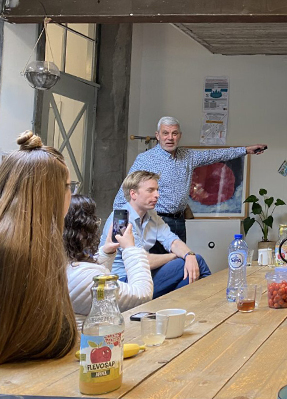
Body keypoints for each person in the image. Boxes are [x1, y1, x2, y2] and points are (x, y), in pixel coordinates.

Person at [113, 116, 267, 244]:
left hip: (179, 221)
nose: (170, 138)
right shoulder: (145, 159)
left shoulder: (188, 156)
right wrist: (117, 234)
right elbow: (123, 195)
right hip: (154, 220)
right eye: (165, 133)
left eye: (174, 133)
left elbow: (216, 155)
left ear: (180, 135)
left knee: (180, 266)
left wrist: (245, 150)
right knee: (156, 268)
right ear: (158, 135)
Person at [0, 131, 78, 364]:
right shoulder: (12, 252)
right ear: (49, 193)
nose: (71, 195)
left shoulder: (43, 249)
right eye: (68, 187)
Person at [101, 170, 211, 298]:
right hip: (122, 284)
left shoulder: (151, 215)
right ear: (133, 194)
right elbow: (141, 261)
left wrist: (189, 255)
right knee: (196, 261)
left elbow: (173, 241)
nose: (157, 195)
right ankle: (214, 301)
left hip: (141, 277)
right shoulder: (120, 219)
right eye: (150, 190)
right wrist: (177, 256)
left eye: (157, 190)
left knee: (189, 273)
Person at [64, 195, 153, 329]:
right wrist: (130, 248)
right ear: (83, 230)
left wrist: (106, 253)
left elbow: (84, 277)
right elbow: (142, 294)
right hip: (87, 345)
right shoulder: (82, 278)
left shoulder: (59, 264)